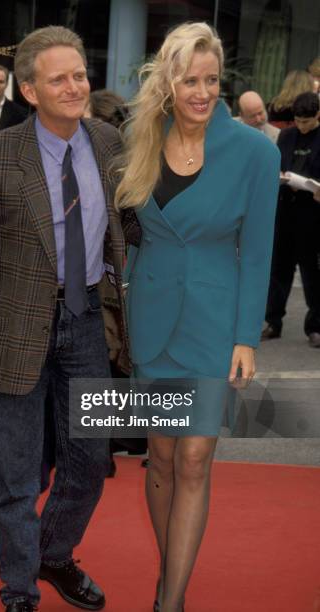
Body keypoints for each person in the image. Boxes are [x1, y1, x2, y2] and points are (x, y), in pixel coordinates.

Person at [0, 25, 128, 612]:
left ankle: (53, 553)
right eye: (59, 79)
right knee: (17, 477)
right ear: (29, 90)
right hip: (11, 330)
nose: (75, 86)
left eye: (79, 74)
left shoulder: (108, 143)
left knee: (92, 460)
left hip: (88, 321)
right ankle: (18, 589)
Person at [116, 22, 280, 612]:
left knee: (193, 456)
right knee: (158, 455)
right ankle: (173, 573)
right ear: (169, 81)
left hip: (215, 321)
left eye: (212, 80)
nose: (203, 91)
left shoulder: (256, 152)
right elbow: (131, 235)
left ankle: (171, 601)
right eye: (190, 79)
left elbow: (258, 250)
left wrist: (246, 336)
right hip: (153, 317)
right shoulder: (140, 135)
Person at [262, 92, 320, 347]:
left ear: (318, 115)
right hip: (285, 212)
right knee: (278, 272)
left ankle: (315, 327)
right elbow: (275, 164)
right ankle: (273, 322)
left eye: (307, 122)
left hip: (313, 216)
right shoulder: (286, 136)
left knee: (313, 274)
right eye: (298, 121)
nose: (302, 126)